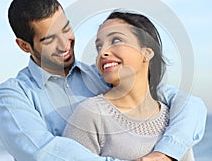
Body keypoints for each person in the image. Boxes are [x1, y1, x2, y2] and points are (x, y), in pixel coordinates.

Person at [0, 0, 207, 161]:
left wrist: (166, 152)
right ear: (24, 46)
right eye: (49, 40)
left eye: (66, 29)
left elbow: (187, 103)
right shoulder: (14, 95)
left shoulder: (102, 75)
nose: (64, 44)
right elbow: (41, 152)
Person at [62, 11, 195, 160]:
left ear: (147, 52)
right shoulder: (91, 114)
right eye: (99, 47)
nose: (103, 52)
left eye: (116, 40)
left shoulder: (175, 120)